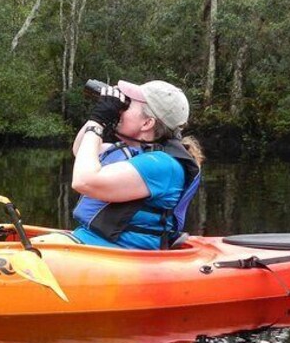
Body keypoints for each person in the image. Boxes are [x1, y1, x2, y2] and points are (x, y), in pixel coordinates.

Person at [70, 80, 203, 250]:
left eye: (127, 105)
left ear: (147, 123)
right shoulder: (136, 153)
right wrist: (100, 117)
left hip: (120, 255)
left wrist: (98, 121)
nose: (120, 109)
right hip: (94, 245)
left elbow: (83, 181)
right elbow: (81, 150)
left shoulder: (163, 165)